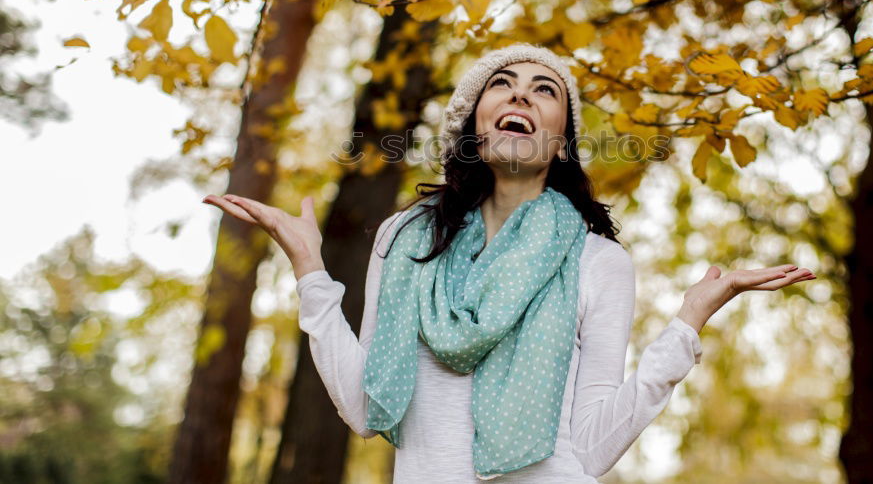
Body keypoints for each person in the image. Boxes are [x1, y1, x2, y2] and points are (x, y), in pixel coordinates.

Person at [203, 43, 816, 483]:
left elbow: (595, 448)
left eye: (543, 89)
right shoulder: (406, 241)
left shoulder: (598, 262)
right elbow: (366, 407)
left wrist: (686, 324)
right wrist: (311, 269)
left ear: (560, 140)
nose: (521, 91)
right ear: (473, 125)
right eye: (503, 83)